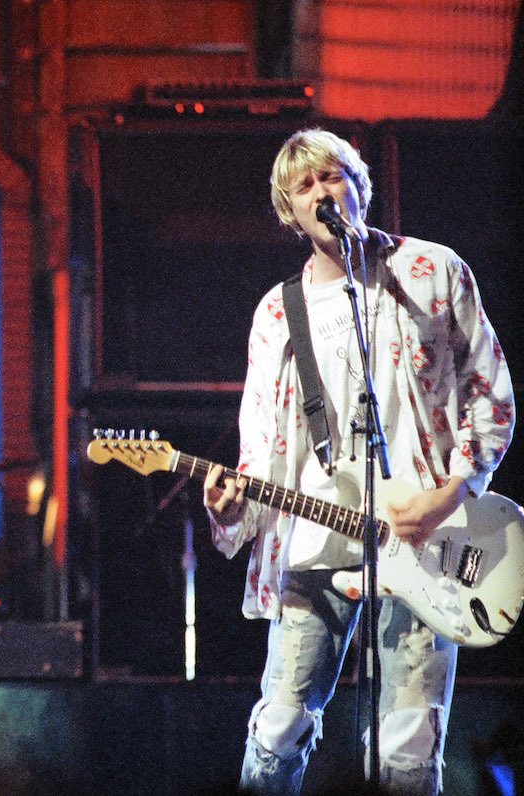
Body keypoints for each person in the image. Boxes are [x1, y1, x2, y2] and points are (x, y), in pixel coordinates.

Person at [203, 128, 514, 794]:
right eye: (305, 185)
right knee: (280, 725)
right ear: (288, 210)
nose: (323, 191)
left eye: (333, 175)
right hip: (315, 544)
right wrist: (234, 504)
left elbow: (492, 396)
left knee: (408, 744)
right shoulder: (276, 313)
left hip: (424, 539)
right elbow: (258, 445)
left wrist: (446, 497)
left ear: (359, 184)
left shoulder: (433, 273)